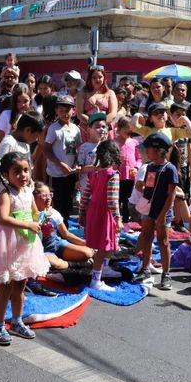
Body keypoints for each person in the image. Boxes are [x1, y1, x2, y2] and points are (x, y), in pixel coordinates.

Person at [0, 152, 49, 346]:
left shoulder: (28, 191)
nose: (23, 175)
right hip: (8, 244)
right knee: (6, 287)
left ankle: (16, 321)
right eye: (17, 171)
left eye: (25, 170)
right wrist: (28, 224)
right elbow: (3, 218)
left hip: (25, 244)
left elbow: (34, 212)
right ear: (5, 174)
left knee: (20, 285)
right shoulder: (6, 194)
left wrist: (42, 214)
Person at [131, 132, 185, 290]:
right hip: (149, 211)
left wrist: (162, 216)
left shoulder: (170, 169)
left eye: (147, 149)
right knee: (146, 237)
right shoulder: (150, 167)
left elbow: (171, 195)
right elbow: (148, 187)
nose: (145, 152)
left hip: (163, 212)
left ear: (157, 150)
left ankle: (166, 274)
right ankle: (145, 269)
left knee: (163, 241)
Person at [79, 140, 123, 292]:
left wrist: (82, 212)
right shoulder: (113, 175)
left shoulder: (94, 173)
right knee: (103, 247)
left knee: (106, 243)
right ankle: (96, 280)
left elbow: (85, 195)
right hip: (105, 214)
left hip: (93, 211)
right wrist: (118, 218)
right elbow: (112, 201)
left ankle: (104, 268)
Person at [33, 181, 93, 268]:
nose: (48, 198)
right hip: (43, 250)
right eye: (44, 196)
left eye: (50, 195)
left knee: (87, 253)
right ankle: (73, 264)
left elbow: (66, 234)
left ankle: (66, 261)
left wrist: (85, 243)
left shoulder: (54, 213)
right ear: (33, 198)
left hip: (57, 244)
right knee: (53, 263)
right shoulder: (30, 216)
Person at [43, 95, 81, 224]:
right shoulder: (54, 129)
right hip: (56, 174)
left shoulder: (75, 129)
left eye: (68, 110)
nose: (65, 113)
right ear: (56, 111)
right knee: (57, 204)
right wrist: (60, 165)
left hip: (70, 173)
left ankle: (64, 229)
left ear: (73, 111)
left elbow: (75, 148)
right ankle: (57, 229)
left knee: (68, 203)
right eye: (61, 110)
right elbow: (46, 150)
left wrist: (76, 163)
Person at [76, 65, 119, 136]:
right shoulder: (82, 93)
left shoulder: (110, 93)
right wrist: (92, 125)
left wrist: (102, 125)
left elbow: (113, 113)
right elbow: (79, 114)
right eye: (94, 77)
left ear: (104, 78)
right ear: (90, 78)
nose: (97, 79)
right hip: (87, 129)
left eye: (100, 77)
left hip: (105, 129)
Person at [115, 116, 142, 225]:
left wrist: (136, 167)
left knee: (127, 199)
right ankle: (115, 220)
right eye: (125, 128)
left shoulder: (134, 142)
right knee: (116, 198)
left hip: (130, 176)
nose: (127, 131)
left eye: (129, 128)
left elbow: (139, 158)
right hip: (117, 175)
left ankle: (125, 221)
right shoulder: (114, 142)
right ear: (119, 129)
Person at [0, 83, 33, 150]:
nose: (22, 105)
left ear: (30, 101)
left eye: (25, 101)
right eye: (19, 101)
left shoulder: (32, 117)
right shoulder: (6, 114)